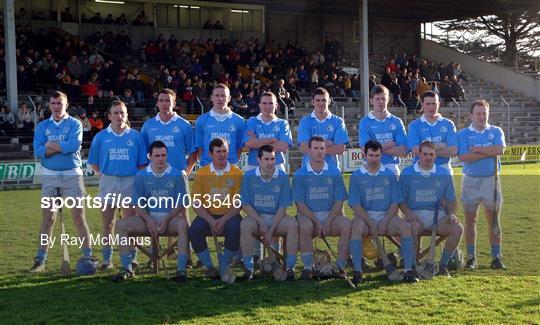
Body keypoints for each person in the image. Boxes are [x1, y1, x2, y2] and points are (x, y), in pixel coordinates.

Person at [30, 91, 94, 272]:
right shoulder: (43, 126)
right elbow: (38, 151)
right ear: (49, 105)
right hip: (49, 175)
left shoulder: (74, 123)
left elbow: (73, 146)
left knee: (78, 217)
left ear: (66, 104)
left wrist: (50, 145)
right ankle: (40, 260)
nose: (57, 106)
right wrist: (60, 147)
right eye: (53, 103)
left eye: (60, 103)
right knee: (48, 218)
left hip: (72, 175)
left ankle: (88, 257)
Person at [112, 141, 190, 282]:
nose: (161, 158)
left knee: (183, 224)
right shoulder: (141, 176)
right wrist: (149, 221)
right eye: (157, 155)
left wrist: (165, 220)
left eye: (163, 155)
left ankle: (181, 270)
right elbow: (137, 204)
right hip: (147, 219)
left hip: (170, 218)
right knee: (121, 225)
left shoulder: (177, 174)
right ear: (150, 156)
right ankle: (127, 268)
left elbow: (181, 204)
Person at [88, 100, 148, 270]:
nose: (119, 116)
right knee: (107, 223)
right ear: (109, 116)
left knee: (130, 223)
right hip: (109, 181)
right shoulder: (101, 137)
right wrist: (106, 175)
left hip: (130, 181)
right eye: (115, 113)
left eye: (122, 113)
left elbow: (142, 164)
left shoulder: (135, 136)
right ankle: (107, 259)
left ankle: (132, 257)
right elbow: (94, 163)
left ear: (126, 115)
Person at [348, 140, 419, 284]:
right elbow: (355, 205)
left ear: (381, 155)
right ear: (365, 155)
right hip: (365, 217)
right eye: (371, 155)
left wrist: (384, 221)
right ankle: (357, 271)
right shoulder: (356, 175)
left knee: (405, 227)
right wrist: (370, 223)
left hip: (387, 216)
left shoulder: (389, 174)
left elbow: (395, 202)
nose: (374, 159)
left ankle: (408, 270)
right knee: (355, 228)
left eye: (377, 155)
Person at [399, 141, 463, 277]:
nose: (428, 157)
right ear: (419, 154)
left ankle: (442, 266)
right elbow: (400, 199)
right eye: (425, 154)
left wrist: (451, 214)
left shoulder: (444, 173)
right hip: (415, 214)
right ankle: (412, 266)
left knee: (457, 229)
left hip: (438, 215)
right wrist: (408, 212)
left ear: (435, 156)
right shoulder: (407, 173)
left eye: (431, 154)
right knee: (411, 228)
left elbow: (452, 201)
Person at [293, 136, 350, 280]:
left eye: (322, 148)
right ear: (309, 151)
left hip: (331, 215)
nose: (319, 151)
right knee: (305, 226)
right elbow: (300, 204)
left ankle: (340, 266)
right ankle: (307, 267)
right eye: (316, 148)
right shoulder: (300, 174)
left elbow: (339, 202)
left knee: (346, 225)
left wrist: (328, 221)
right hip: (308, 216)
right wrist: (317, 222)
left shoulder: (335, 172)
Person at [458, 99, 506, 270]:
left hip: (491, 181)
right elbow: (464, 157)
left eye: (484, 113)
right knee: (471, 221)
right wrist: (489, 152)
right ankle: (471, 257)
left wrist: (477, 149)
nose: (481, 116)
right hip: (470, 181)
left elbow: (500, 150)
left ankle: (496, 257)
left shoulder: (496, 131)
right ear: (471, 115)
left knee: (493, 221)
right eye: (478, 113)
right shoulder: (463, 134)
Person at [239, 145, 298, 280]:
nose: (270, 162)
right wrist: (261, 223)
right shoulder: (249, 176)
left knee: (293, 225)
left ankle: (289, 268)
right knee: (245, 224)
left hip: (277, 217)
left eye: (272, 159)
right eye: (266, 159)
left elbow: (283, 208)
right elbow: (245, 205)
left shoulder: (282, 176)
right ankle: (249, 268)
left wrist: (270, 231)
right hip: (256, 218)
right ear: (259, 160)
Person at [188, 138, 243, 280]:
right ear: (210, 154)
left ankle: (225, 263)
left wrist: (223, 220)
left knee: (236, 227)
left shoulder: (237, 173)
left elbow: (238, 204)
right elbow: (197, 203)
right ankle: (209, 266)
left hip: (230, 216)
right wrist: (211, 220)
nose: (222, 154)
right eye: (218, 151)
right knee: (194, 230)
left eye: (224, 151)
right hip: (208, 215)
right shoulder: (201, 173)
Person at [140, 88, 197, 174]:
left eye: (167, 101)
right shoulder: (148, 125)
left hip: (177, 175)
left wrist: (186, 173)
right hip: (154, 175)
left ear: (174, 103)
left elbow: (193, 153)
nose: (164, 104)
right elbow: (142, 152)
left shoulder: (184, 125)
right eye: (161, 101)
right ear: (157, 103)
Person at [358, 85, 407, 176]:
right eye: (377, 99)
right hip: (370, 168)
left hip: (392, 168)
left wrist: (375, 149)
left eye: (383, 98)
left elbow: (403, 151)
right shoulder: (364, 122)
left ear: (388, 99)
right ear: (371, 100)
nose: (381, 102)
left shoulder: (396, 121)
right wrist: (390, 144)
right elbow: (365, 150)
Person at [193, 84, 245, 167]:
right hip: (207, 165)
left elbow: (240, 146)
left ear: (229, 98)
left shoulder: (239, 121)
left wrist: (233, 161)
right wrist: (205, 162)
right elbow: (199, 145)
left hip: (231, 165)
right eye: (217, 95)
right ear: (211, 98)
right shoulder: (201, 120)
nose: (220, 98)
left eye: (223, 96)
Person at [297, 87, 349, 170]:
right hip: (309, 170)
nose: (321, 103)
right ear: (312, 102)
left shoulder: (338, 121)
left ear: (329, 101)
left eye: (324, 100)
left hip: (332, 170)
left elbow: (340, 149)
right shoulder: (305, 121)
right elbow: (303, 147)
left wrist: (314, 147)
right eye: (317, 100)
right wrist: (329, 144)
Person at [407, 91, 458, 171]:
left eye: (434, 104)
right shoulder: (414, 125)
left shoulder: (449, 124)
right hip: (420, 170)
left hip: (443, 168)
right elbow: (416, 151)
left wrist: (425, 151)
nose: (431, 107)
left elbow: (453, 151)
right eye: (428, 104)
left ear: (439, 104)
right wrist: (441, 145)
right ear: (422, 104)